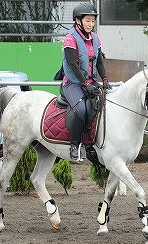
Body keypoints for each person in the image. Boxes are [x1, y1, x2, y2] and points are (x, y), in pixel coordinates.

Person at [60, 3, 111, 160]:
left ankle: (92, 143)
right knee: (81, 110)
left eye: (93, 21)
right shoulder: (70, 38)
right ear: (78, 21)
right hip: (72, 83)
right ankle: (74, 145)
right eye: (88, 20)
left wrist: (105, 79)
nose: (91, 24)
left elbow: (100, 63)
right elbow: (72, 65)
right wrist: (84, 84)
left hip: (91, 82)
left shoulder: (96, 39)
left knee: (105, 104)